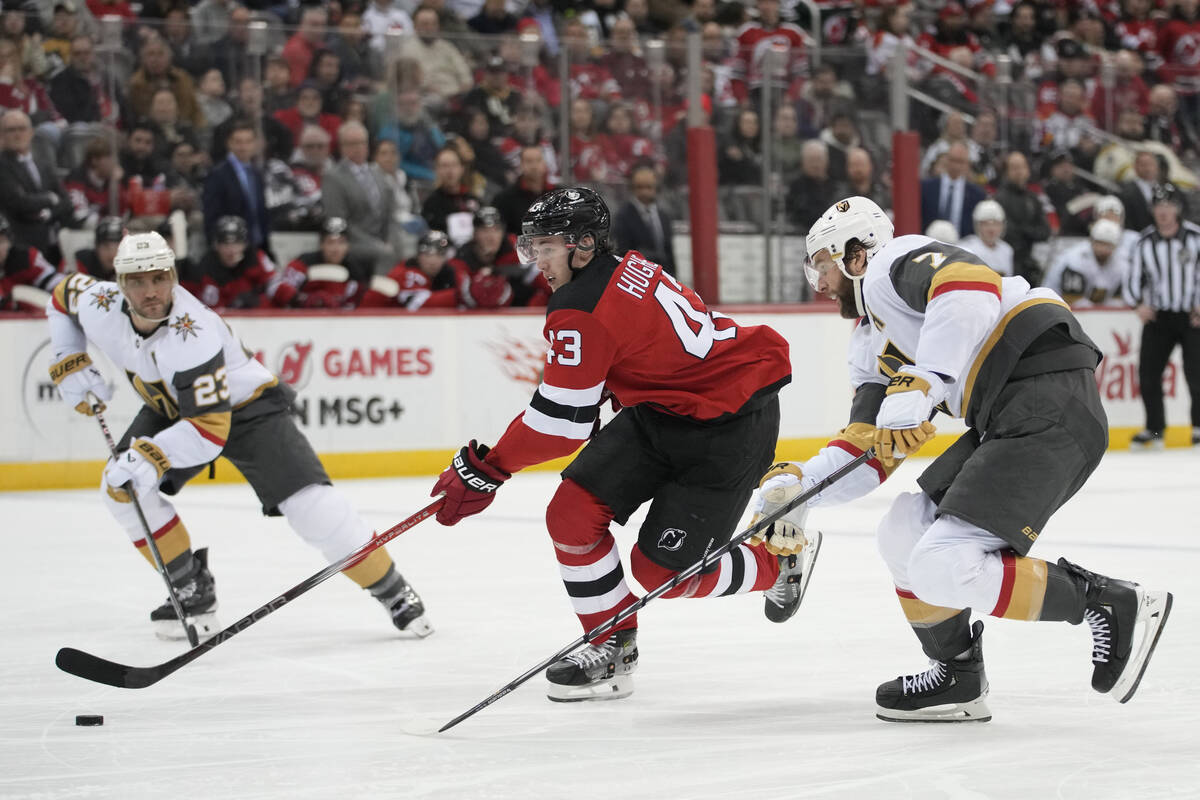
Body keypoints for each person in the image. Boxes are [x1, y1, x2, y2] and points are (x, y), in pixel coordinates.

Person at [782, 194, 1173, 723]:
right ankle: (959, 675)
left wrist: (928, 379)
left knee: (941, 564)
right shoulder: (869, 342)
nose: (821, 286)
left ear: (855, 254)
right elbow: (866, 452)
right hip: (1010, 409)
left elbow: (970, 287)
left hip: (1043, 392)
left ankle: (1107, 602)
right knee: (902, 531)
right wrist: (796, 490)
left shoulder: (890, 265)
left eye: (822, 267)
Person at [427, 187, 802, 703]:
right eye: (531, 246)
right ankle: (610, 643)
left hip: (728, 423)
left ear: (583, 244)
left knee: (662, 574)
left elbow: (560, 425)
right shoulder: (613, 269)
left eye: (546, 246)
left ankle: (775, 563)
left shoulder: (581, 305)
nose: (536, 259)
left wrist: (488, 468)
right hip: (662, 410)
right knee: (571, 514)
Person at [44, 231, 431, 640]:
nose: (151, 291)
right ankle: (190, 587)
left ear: (173, 275)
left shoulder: (192, 333)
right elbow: (62, 295)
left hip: (246, 412)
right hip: (173, 407)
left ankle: (392, 590)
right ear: (119, 284)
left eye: (159, 278)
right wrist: (67, 356)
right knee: (119, 486)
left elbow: (210, 431)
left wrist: (151, 453)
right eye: (137, 282)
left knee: (313, 508)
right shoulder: (100, 303)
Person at [1122, 183, 1200, 448]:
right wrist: (1137, 305)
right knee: (1148, 374)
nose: (1163, 211)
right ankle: (1155, 430)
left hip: (1192, 317)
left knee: (1196, 373)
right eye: (1158, 206)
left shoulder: (1195, 237)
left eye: (1168, 206)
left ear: (1177, 208)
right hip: (1159, 317)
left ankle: (1199, 427)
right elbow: (1132, 278)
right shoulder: (1144, 242)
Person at [185, 215, 278, 309]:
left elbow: (275, 286)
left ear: (245, 244)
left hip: (258, 320)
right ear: (216, 245)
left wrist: (258, 302)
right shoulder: (205, 269)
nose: (231, 250)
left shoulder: (257, 259)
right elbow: (204, 309)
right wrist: (231, 306)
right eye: (225, 244)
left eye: (237, 243)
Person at [275, 216, 369, 309]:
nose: (336, 249)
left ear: (348, 246)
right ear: (321, 244)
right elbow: (281, 290)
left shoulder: (355, 271)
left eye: (341, 242)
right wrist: (304, 299)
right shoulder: (303, 263)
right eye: (330, 242)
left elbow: (357, 305)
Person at [359, 228, 462, 310]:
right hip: (365, 322)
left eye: (439, 255)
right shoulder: (408, 274)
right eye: (427, 254)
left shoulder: (446, 272)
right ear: (418, 255)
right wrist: (461, 295)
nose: (433, 261)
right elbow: (417, 305)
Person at [1043, 219, 1129, 308]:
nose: (1102, 249)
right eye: (1099, 242)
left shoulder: (1122, 262)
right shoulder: (1075, 259)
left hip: (1095, 310)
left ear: (1116, 246)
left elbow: (1118, 300)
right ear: (1091, 240)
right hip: (1054, 305)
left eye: (1107, 245)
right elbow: (1072, 300)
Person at [612, 163, 675, 275]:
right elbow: (622, 252)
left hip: (663, 278)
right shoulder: (623, 217)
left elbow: (669, 254)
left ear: (656, 188)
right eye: (640, 187)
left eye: (649, 187)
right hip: (637, 277)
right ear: (632, 188)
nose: (644, 192)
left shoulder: (663, 216)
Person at [957, 200, 1014, 276]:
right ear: (978, 226)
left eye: (996, 224)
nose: (991, 229)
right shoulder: (966, 248)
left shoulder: (1007, 250)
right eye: (986, 224)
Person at [73, 216, 124, 280]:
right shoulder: (82, 262)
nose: (112, 253)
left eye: (118, 247)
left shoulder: (132, 266)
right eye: (106, 246)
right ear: (96, 247)